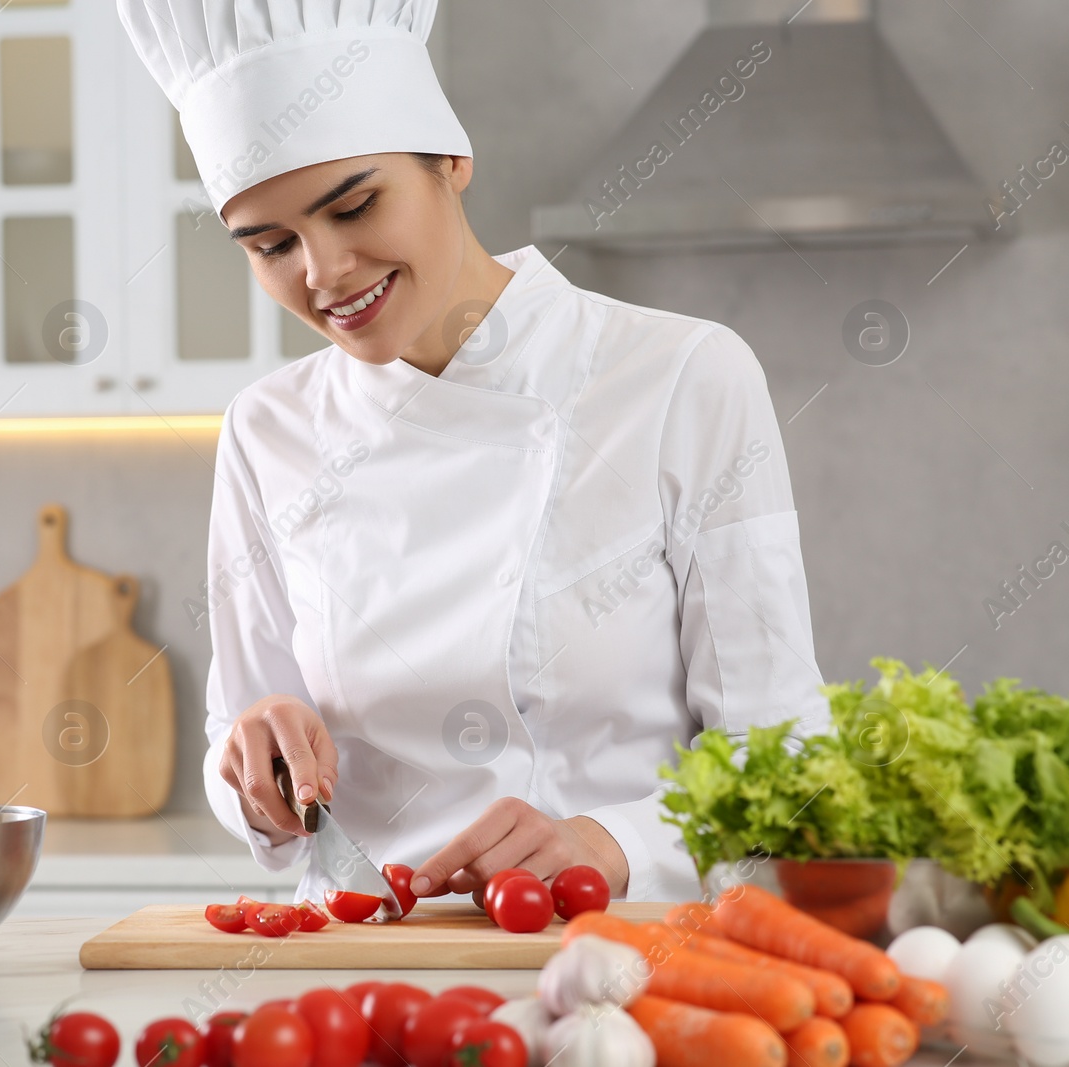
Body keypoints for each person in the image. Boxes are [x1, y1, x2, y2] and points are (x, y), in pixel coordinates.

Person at [120, 0, 832, 905]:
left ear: (450, 159)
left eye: (355, 205)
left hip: (611, 957)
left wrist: (618, 843)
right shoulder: (268, 427)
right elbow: (248, 752)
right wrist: (255, 766)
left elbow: (786, 760)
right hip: (358, 969)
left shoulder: (683, 377)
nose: (324, 271)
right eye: (270, 245)